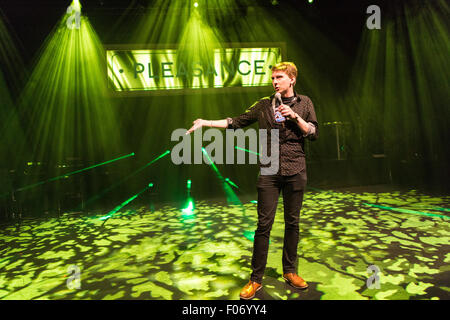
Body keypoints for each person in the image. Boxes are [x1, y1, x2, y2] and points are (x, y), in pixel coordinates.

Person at [186, 62, 318, 299]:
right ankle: (255, 279)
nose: (275, 82)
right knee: (263, 226)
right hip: (269, 171)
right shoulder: (264, 105)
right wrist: (205, 122)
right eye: (273, 78)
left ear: (292, 80)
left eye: (279, 77)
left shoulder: (305, 103)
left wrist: (295, 116)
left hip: (296, 170)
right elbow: (235, 122)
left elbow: (313, 132)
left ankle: (290, 271)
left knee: (293, 223)